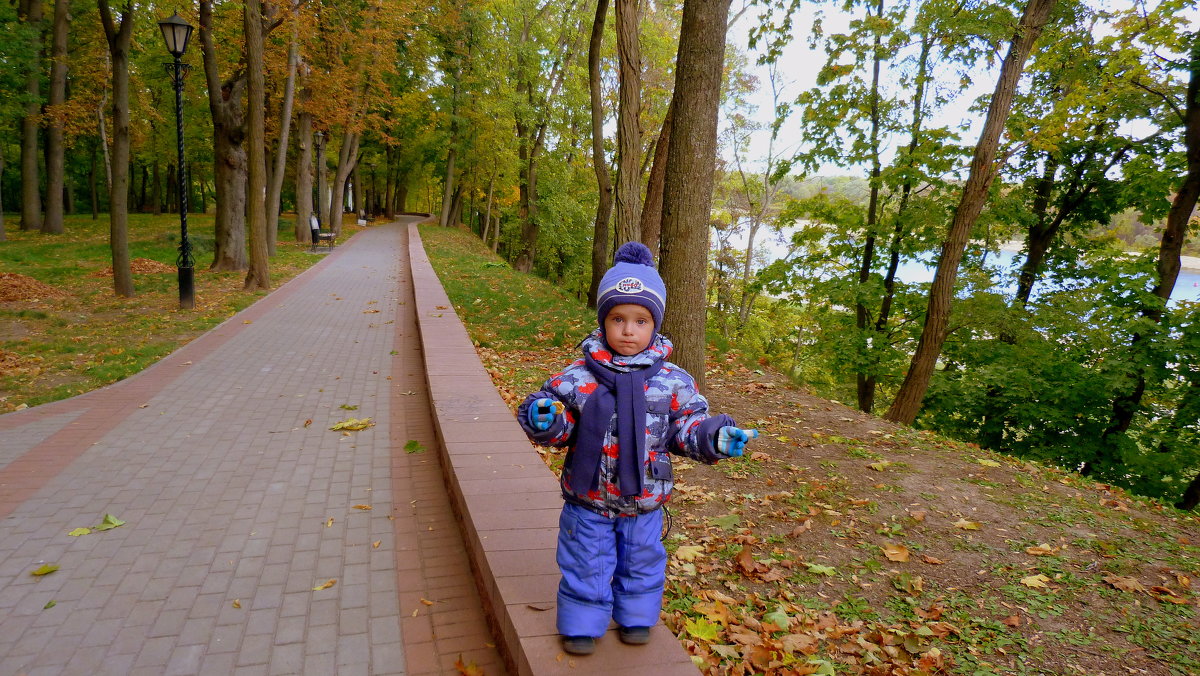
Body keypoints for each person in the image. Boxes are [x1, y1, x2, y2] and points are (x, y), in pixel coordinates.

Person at [517, 241, 758, 656]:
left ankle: (636, 615)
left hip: (645, 499)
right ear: (603, 321)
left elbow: (687, 427)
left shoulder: (673, 381)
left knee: (641, 561)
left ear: (655, 324)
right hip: (587, 497)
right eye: (618, 318)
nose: (629, 330)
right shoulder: (577, 377)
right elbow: (560, 419)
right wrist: (546, 419)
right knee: (584, 560)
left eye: (641, 320)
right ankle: (581, 622)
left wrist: (712, 436)